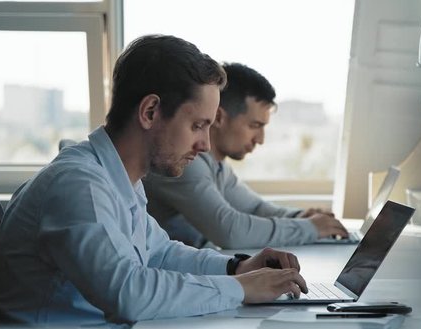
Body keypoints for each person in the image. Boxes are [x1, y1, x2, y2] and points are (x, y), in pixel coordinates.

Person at [0, 35, 308, 326]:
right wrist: (240, 289)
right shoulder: (79, 185)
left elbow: (160, 254)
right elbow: (127, 293)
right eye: (197, 125)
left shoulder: (120, 178)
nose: (206, 145)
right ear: (150, 112)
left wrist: (237, 268)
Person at [144, 63, 348, 249]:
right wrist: (310, 228)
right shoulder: (184, 162)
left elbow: (255, 208)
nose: (260, 139)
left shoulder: (217, 166)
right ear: (220, 117)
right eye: (254, 126)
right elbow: (230, 231)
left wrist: (301, 217)